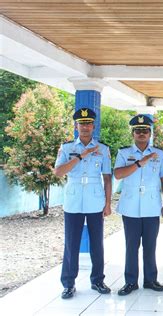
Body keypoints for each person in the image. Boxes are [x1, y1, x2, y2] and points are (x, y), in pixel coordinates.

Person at [54, 107, 112, 299]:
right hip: (73, 199)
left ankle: (97, 280)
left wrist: (108, 203)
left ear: (93, 126)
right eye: (82, 124)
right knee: (71, 243)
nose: (85, 127)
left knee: (97, 243)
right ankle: (68, 284)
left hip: (95, 200)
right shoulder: (67, 148)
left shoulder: (103, 149)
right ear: (76, 126)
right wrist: (81, 155)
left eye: (88, 124)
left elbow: (107, 178)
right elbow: (59, 172)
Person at [113, 115, 163, 296]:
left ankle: (150, 280)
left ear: (150, 133)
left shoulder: (159, 154)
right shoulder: (124, 153)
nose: (141, 133)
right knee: (131, 246)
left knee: (150, 245)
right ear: (133, 134)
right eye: (138, 130)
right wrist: (139, 163)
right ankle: (130, 282)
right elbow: (118, 174)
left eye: (145, 130)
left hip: (152, 206)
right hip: (130, 207)